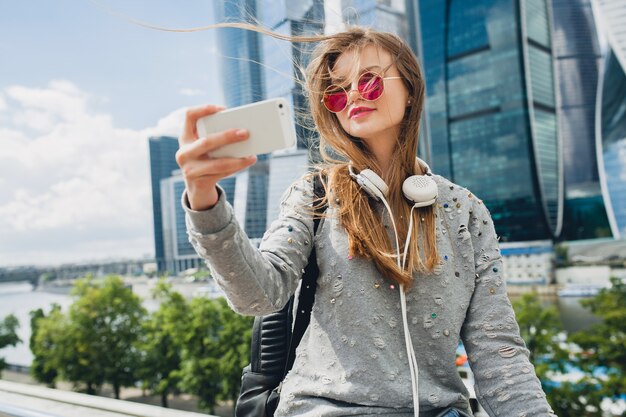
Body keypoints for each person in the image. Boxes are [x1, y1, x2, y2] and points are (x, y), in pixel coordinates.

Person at [176, 27, 557, 417]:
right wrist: (204, 200)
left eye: (370, 81)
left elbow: (498, 351)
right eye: (337, 91)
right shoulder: (315, 194)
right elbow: (258, 295)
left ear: (410, 90)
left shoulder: (465, 211)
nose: (353, 94)